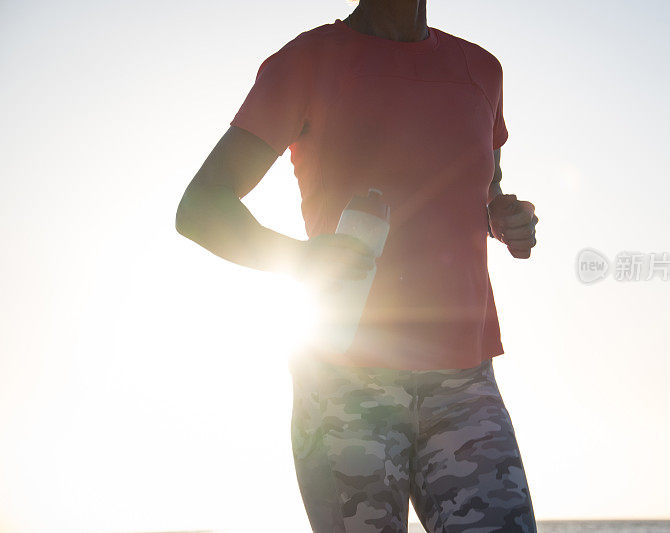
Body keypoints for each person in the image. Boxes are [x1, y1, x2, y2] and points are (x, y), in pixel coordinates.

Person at [175, 1, 539, 531]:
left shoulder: (481, 70)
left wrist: (504, 217)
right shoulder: (308, 61)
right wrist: (299, 258)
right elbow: (201, 206)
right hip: (346, 381)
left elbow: (482, 189)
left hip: (464, 382)